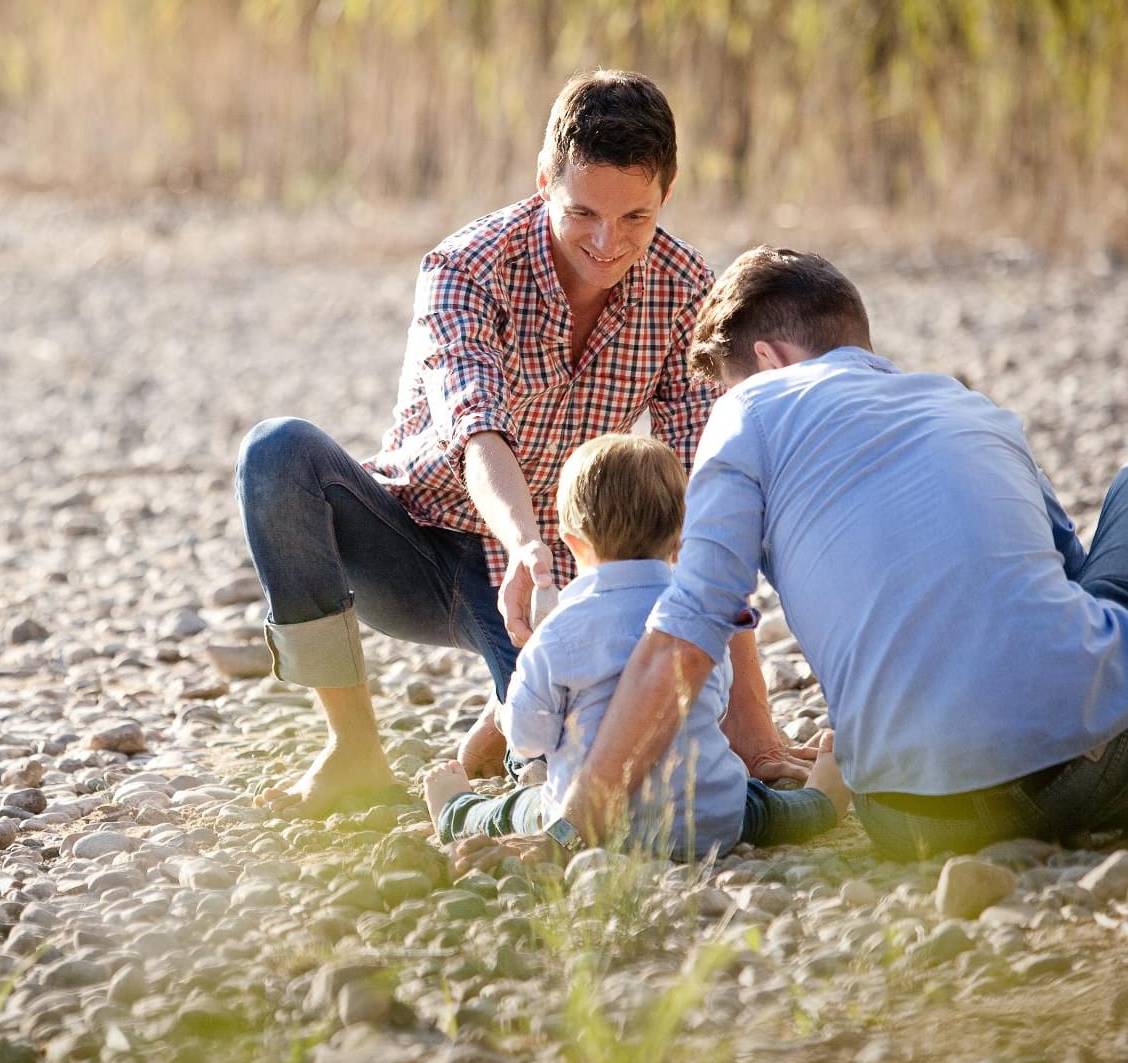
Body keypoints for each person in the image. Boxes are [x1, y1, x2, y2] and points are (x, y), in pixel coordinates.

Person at [236, 70, 810, 818]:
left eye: (635, 216)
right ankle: (351, 750)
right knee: (277, 452)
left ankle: (494, 725)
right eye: (583, 213)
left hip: (555, 585)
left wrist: (753, 732)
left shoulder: (684, 288)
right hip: (416, 541)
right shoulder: (464, 268)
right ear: (545, 183)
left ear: (667, 193)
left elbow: (706, 503)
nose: (608, 244)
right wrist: (524, 543)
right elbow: (477, 431)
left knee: (558, 776)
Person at [459, 245, 1128, 871]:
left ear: (767, 360)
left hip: (914, 818)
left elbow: (686, 637)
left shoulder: (750, 411)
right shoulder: (975, 410)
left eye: (722, 387)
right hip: (1090, 769)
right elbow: (1067, 581)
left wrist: (567, 832)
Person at [424, 433, 847, 859]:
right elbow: (716, 704)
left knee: (519, 809)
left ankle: (457, 811)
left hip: (591, 826)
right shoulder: (698, 616)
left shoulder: (560, 631)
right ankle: (823, 802)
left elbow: (528, 739)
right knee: (764, 808)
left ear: (573, 544)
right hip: (710, 821)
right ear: (681, 540)